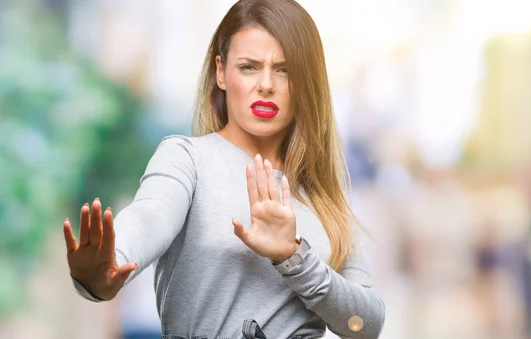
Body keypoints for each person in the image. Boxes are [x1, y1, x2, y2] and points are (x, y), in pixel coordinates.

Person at [62, 0, 385, 338]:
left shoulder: (323, 197)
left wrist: (294, 257)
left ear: (307, 81)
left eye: (284, 69)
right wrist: (108, 264)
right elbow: (149, 216)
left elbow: (365, 326)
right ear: (221, 72)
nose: (266, 84)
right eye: (249, 66)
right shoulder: (187, 159)